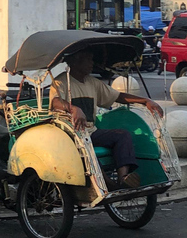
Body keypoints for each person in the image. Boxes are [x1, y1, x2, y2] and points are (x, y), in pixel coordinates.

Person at [49, 48, 164, 189]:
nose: (92, 63)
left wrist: (145, 101)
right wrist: (74, 108)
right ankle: (108, 185)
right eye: (88, 60)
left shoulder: (92, 82)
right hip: (71, 135)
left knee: (123, 135)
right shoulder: (61, 82)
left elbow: (117, 96)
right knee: (87, 148)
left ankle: (123, 178)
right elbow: (56, 102)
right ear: (75, 61)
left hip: (91, 131)